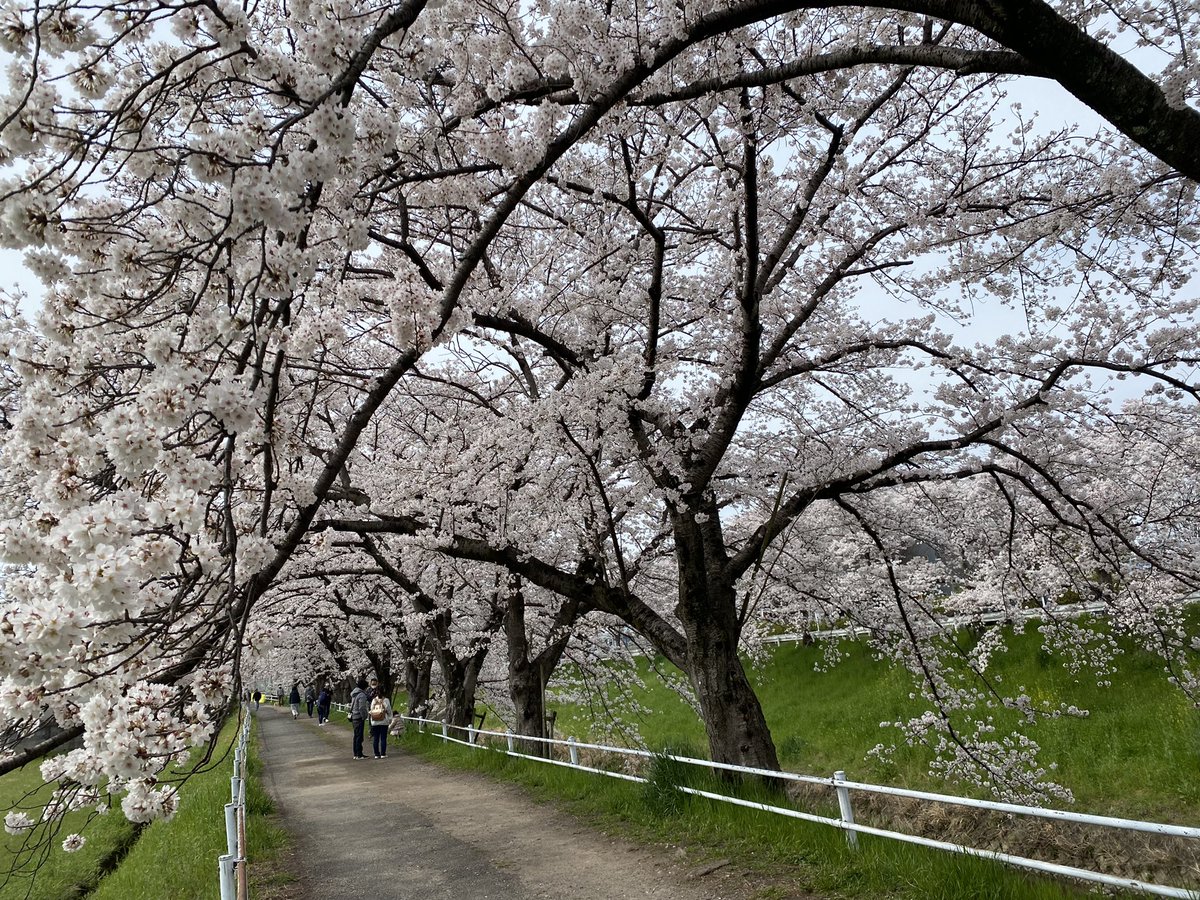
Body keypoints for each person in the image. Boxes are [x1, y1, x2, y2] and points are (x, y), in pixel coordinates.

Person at [348, 678, 370, 759]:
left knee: (356, 735)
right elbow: (362, 707)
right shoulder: (362, 695)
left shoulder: (354, 694)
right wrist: (365, 716)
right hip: (359, 717)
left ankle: (356, 754)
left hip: (354, 716)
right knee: (359, 736)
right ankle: (359, 754)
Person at [368, 690, 393, 759]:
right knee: (383, 738)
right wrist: (390, 719)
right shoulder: (386, 700)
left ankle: (376, 754)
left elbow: (371, 710)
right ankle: (383, 754)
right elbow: (389, 711)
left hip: (375, 722)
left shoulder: (374, 700)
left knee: (376, 738)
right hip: (384, 721)